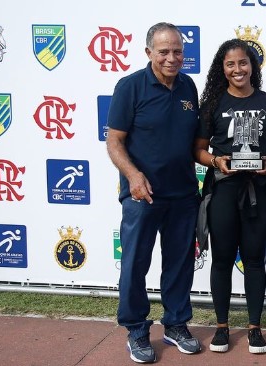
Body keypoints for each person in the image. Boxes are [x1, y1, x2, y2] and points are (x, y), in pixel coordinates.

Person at [106, 22, 202, 364]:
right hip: (141, 195)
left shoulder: (189, 86)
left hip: (183, 195)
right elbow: (114, 141)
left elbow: (194, 143)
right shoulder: (130, 87)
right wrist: (132, 175)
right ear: (149, 53)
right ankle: (135, 329)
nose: (172, 58)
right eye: (164, 52)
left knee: (179, 264)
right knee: (134, 264)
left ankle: (176, 324)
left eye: (177, 51)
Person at [193, 38, 266, 355]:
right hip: (222, 190)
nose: (237, 69)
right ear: (223, 68)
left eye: (243, 63)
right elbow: (199, 150)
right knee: (220, 260)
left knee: (254, 260)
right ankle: (221, 327)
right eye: (230, 64)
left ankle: (255, 329)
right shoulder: (212, 105)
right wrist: (216, 161)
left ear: (253, 66)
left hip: (257, 190)